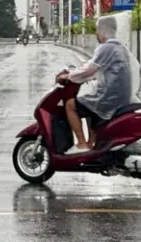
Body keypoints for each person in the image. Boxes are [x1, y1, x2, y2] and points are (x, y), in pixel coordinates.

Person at [57, 15, 133, 154]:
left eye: (97, 31)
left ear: (102, 30)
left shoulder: (106, 47)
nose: (96, 34)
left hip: (110, 98)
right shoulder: (119, 47)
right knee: (88, 102)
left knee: (70, 105)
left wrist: (68, 76)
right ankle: (92, 143)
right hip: (120, 97)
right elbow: (96, 68)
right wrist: (84, 75)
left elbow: (90, 69)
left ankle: (81, 143)